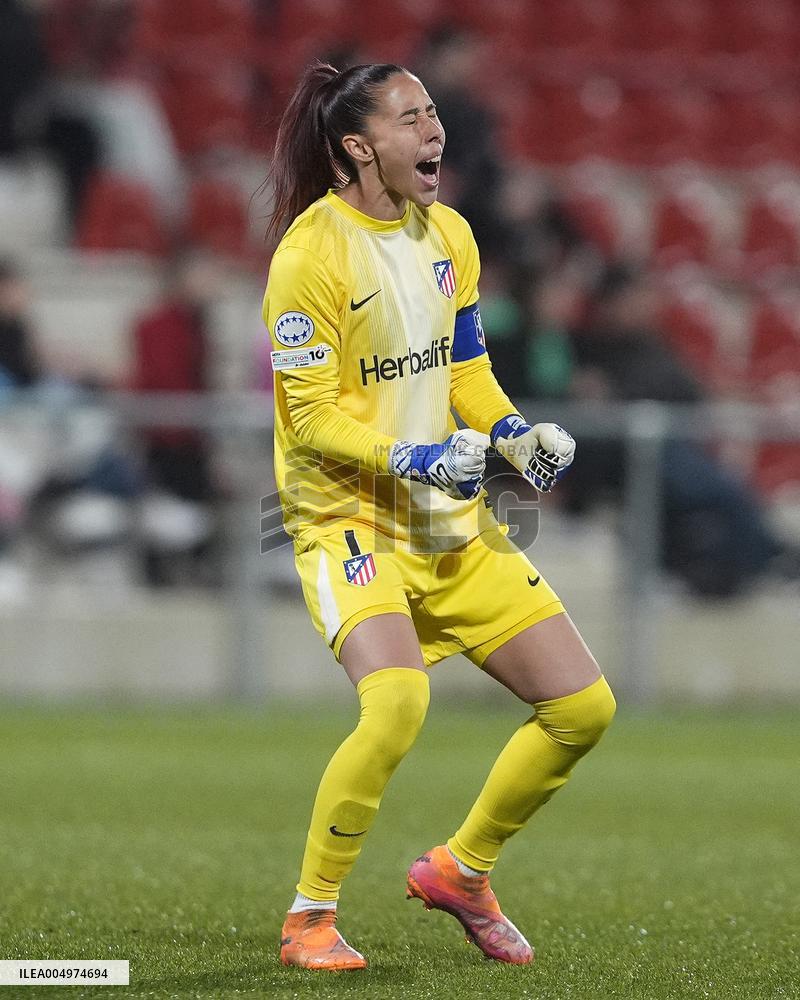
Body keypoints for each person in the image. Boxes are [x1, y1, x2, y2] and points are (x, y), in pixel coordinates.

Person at [262, 61, 616, 971]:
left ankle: (462, 870)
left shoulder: (449, 234)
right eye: (411, 118)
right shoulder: (309, 257)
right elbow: (309, 417)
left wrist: (513, 434)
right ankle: (309, 919)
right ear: (357, 146)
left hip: (444, 520)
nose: (435, 131)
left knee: (583, 707)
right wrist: (414, 457)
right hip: (346, 516)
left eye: (433, 113)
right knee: (398, 702)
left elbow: (465, 369)